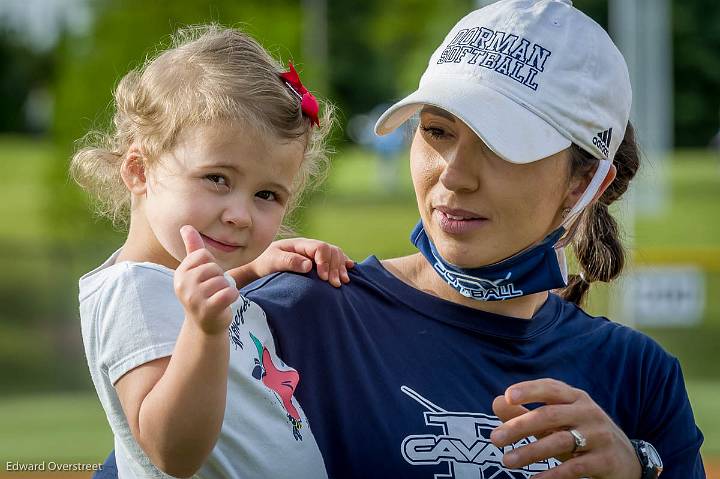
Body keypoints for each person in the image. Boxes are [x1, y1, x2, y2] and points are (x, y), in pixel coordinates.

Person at [95, 2, 706, 478]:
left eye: (501, 147)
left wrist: (636, 468)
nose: (454, 175)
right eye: (437, 131)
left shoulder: (641, 377)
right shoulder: (293, 314)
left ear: (583, 183)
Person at [73, 26, 353, 478]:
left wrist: (252, 269)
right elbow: (173, 452)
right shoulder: (131, 293)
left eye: (267, 195)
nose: (241, 214)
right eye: (218, 179)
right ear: (139, 170)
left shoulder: (182, 283)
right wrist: (205, 333)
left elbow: (184, 301)